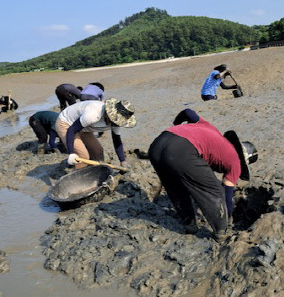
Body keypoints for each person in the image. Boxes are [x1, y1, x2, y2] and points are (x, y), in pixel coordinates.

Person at [148, 108, 258, 242]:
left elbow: (188, 112)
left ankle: (190, 226)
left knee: (176, 188)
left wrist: (176, 125)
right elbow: (226, 194)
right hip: (182, 151)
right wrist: (228, 217)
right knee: (216, 192)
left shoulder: (210, 128)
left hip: (157, 145)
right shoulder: (236, 162)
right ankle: (221, 233)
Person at [56, 98, 136, 169]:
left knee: (98, 151)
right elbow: (72, 130)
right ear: (109, 114)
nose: (115, 124)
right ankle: (77, 179)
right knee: (83, 156)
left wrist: (123, 160)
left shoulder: (116, 123)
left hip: (85, 128)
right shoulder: (93, 114)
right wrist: (71, 153)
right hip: (66, 123)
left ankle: (93, 173)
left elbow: (117, 140)